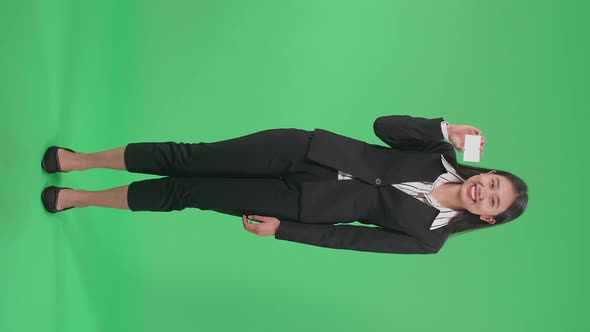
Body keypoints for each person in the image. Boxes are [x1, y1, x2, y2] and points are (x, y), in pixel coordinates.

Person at [40, 115, 528, 254]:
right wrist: (445, 130)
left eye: (493, 199)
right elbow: (384, 127)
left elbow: (352, 238)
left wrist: (284, 231)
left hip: (300, 203)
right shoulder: (438, 152)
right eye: (491, 180)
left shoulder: (429, 239)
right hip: (305, 150)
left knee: (186, 192)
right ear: (484, 172)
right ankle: (80, 161)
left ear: (487, 215)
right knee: (190, 157)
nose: (484, 190)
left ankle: (78, 199)